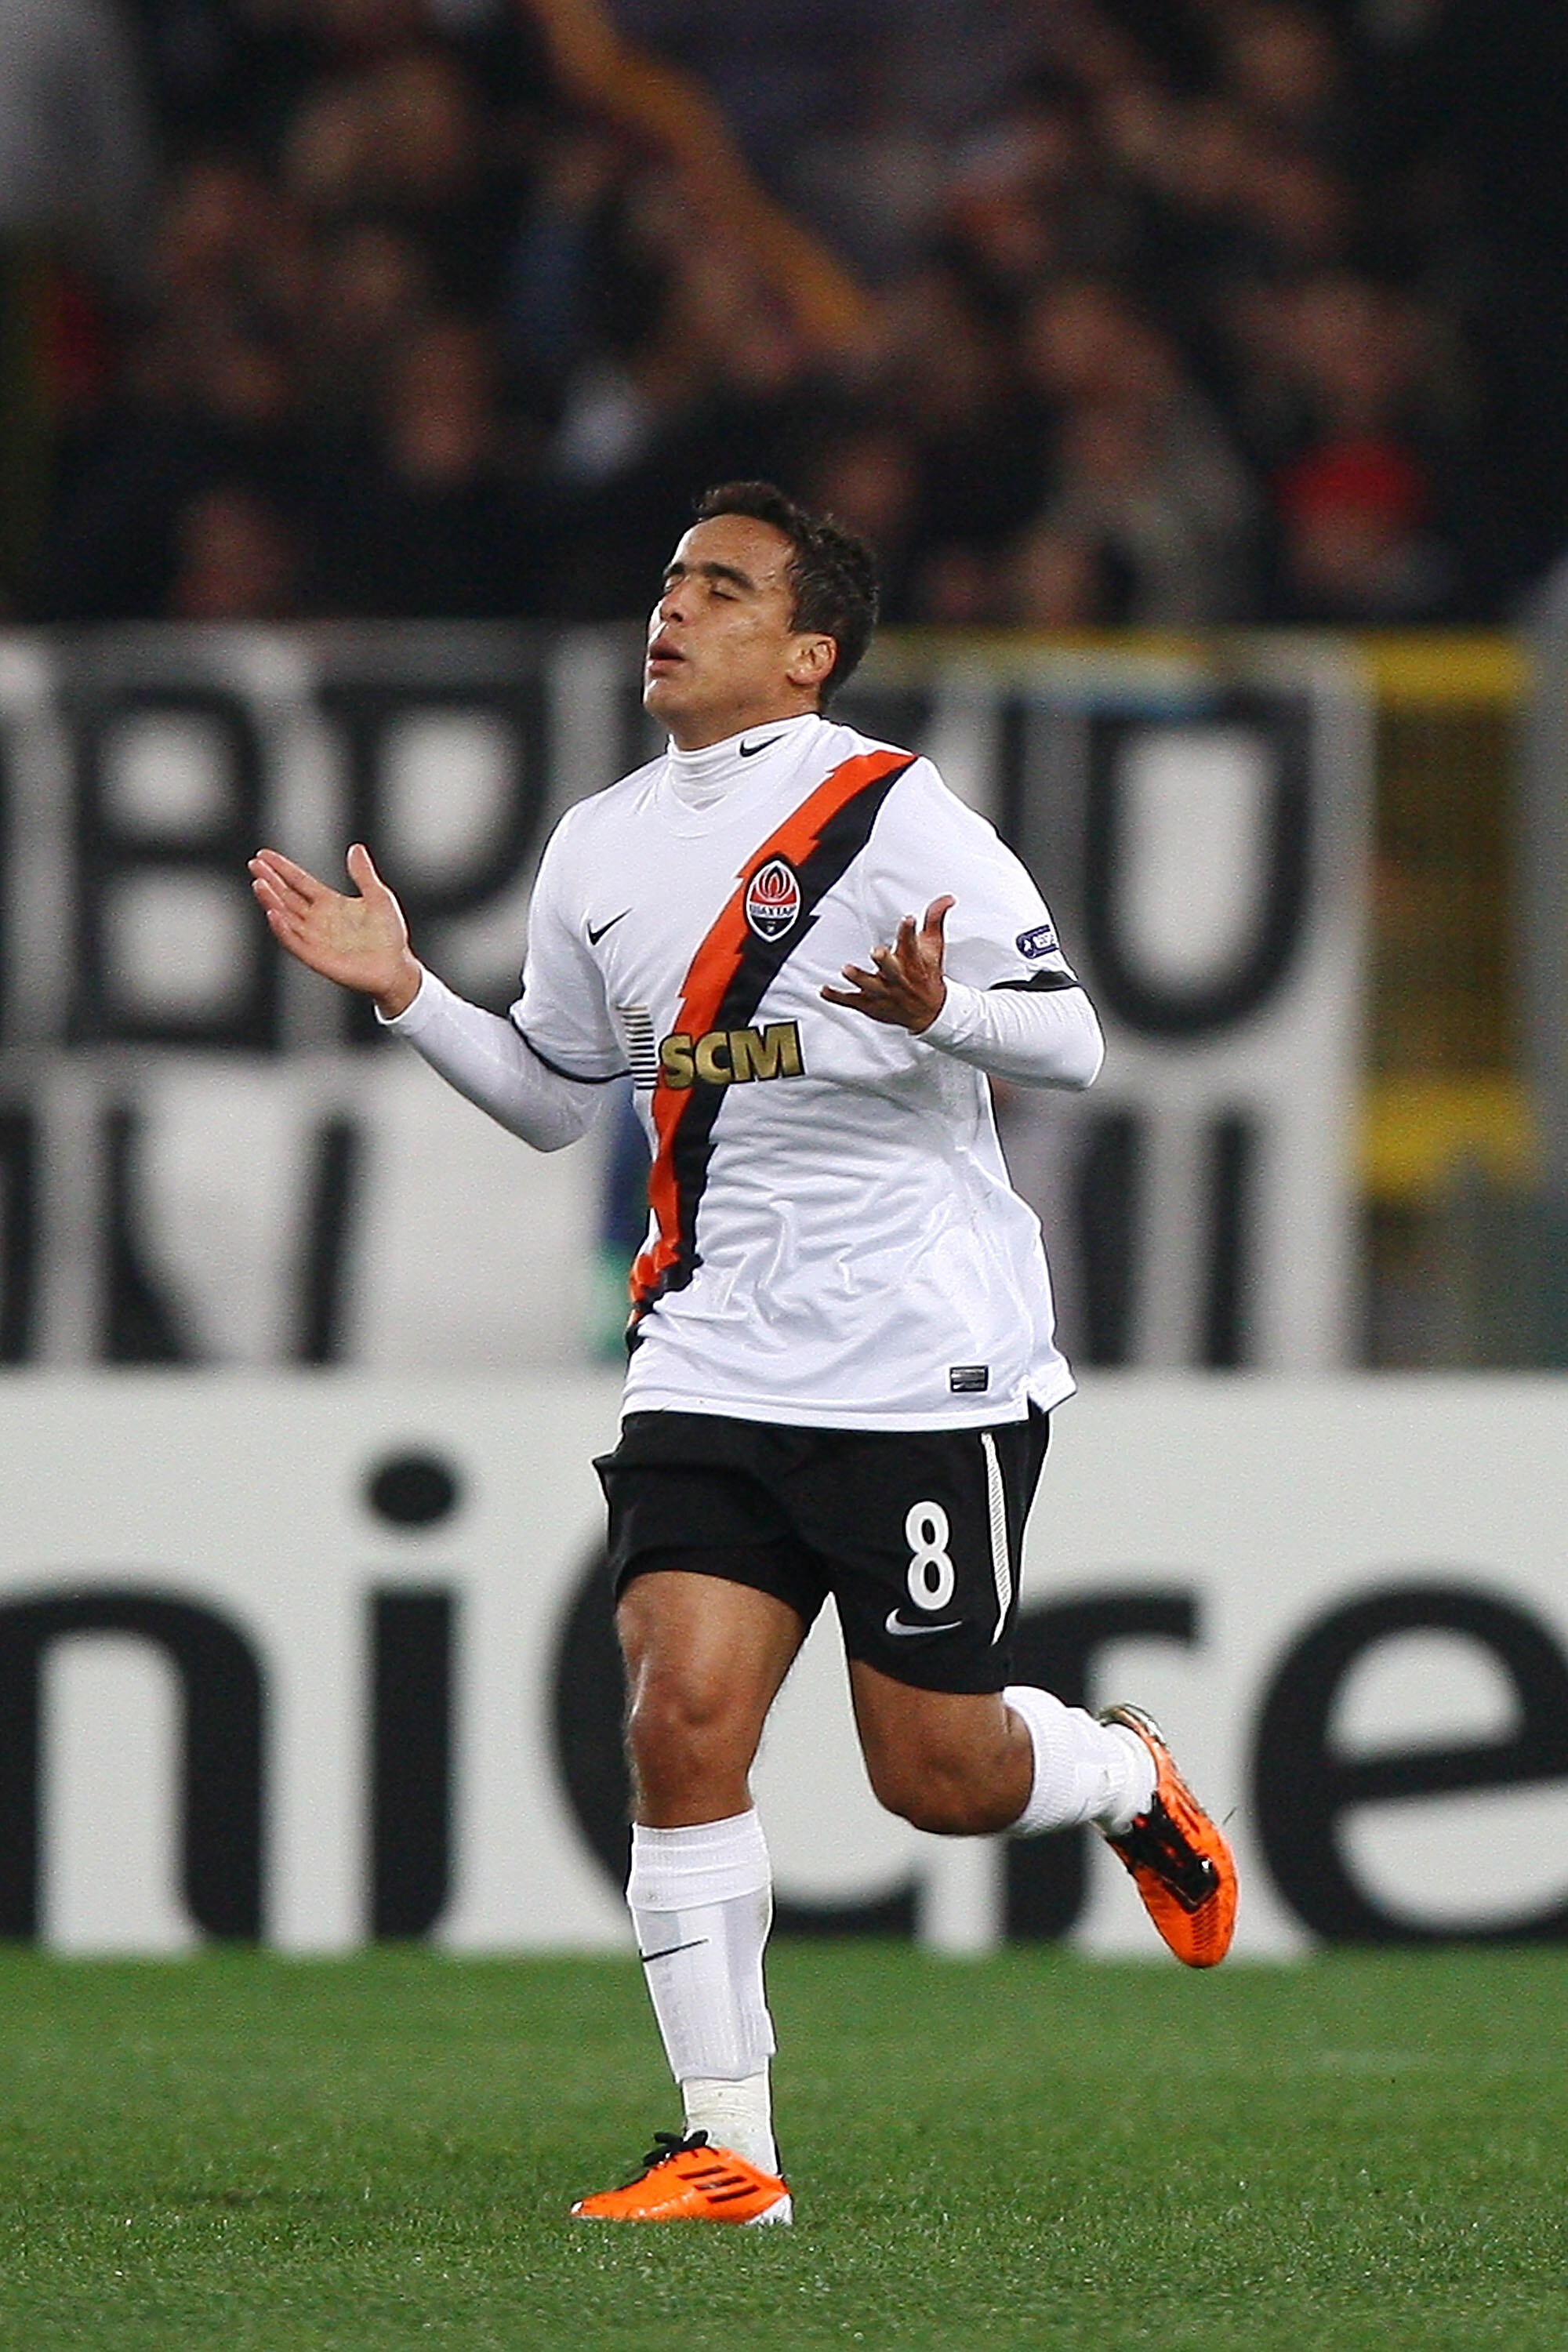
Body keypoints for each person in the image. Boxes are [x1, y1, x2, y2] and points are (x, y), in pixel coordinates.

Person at [249, 478, 1236, 2227]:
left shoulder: (896, 814)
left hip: (921, 1351)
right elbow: (565, 1103)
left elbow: (1073, 1038)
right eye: (669, 579)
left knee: (932, 1776)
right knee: (680, 1718)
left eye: (724, 587)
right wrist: (409, 992)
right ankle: (731, 2148)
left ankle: (1113, 1771)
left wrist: (948, 1017)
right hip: (707, 1345)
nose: (676, 607)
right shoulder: (597, 846)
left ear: (809, 652)